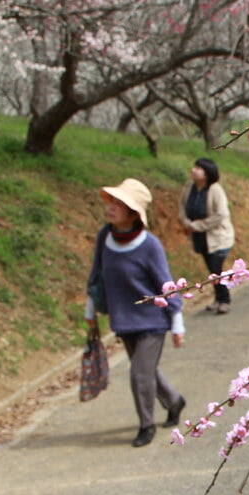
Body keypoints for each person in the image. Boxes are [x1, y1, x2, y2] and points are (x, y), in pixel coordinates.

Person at [85, 178, 186, 448]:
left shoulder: (150, 245)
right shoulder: (104, 237)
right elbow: (96, 275)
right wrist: (90, 309)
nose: (111, 207)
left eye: (119, 204)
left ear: (133, 213)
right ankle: (174, 401)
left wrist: (177, 321)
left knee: (139, 374)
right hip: (123, 319)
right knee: (146, 370)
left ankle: (146, 425)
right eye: (111, 202)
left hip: (153, 320)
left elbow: (166, 284)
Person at [179, 158, 235, 314]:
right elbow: (182, 206)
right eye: (194, 167)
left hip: (219, 238)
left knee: (216, 269)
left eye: (199, 168)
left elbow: (221, 214)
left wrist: (197, 225)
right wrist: (186, 222)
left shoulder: (215, 190)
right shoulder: (189, 187)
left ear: (207, 173)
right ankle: (218, 299)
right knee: (212, 270)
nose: (194, 170)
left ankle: (224, 300)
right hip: (201, 238)